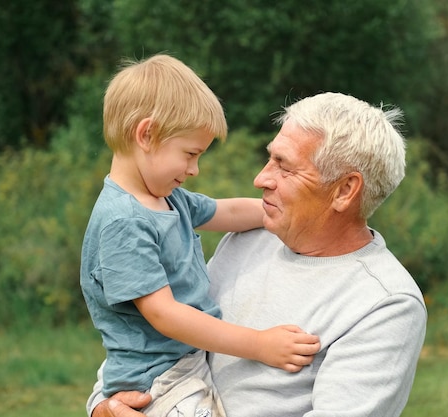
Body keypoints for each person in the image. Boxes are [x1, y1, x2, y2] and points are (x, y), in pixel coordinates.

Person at [89, 91, 428, 417]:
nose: (260, 178)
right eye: (270, 158)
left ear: (344, 190)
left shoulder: (386, 304)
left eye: (284, 166)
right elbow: (149, 341)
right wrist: (104, 407)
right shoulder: (248, 240)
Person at [81, 54, 321, 417]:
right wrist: (260, 344)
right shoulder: (124, 223)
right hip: (157, 383)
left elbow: (227, 212)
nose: (194, 169)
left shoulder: (167, 198)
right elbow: (166, 315)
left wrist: (286, 212)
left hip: (182, 366)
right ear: (146, 134)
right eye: (190, 154)